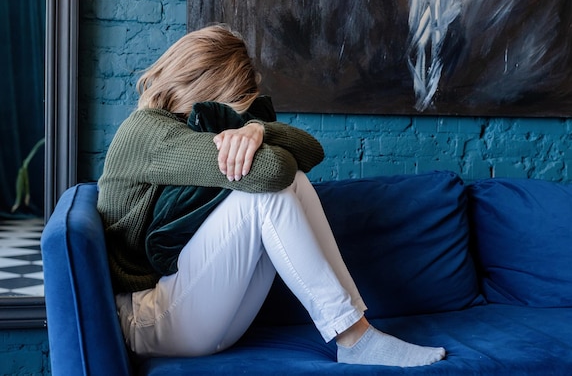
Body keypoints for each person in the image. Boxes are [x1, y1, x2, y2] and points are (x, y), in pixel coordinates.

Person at [97, 24, 446, 367]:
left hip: (202, 317)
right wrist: (255, 137)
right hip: (147, 322)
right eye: (232, 107)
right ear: (205, 89)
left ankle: (358, 335)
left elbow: (311, 151)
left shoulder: (176, 131)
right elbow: (270, 172)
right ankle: (354, 338)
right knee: (264, 195)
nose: (230, 120)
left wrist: (256, 129)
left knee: (295, 181)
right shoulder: (149, 133)